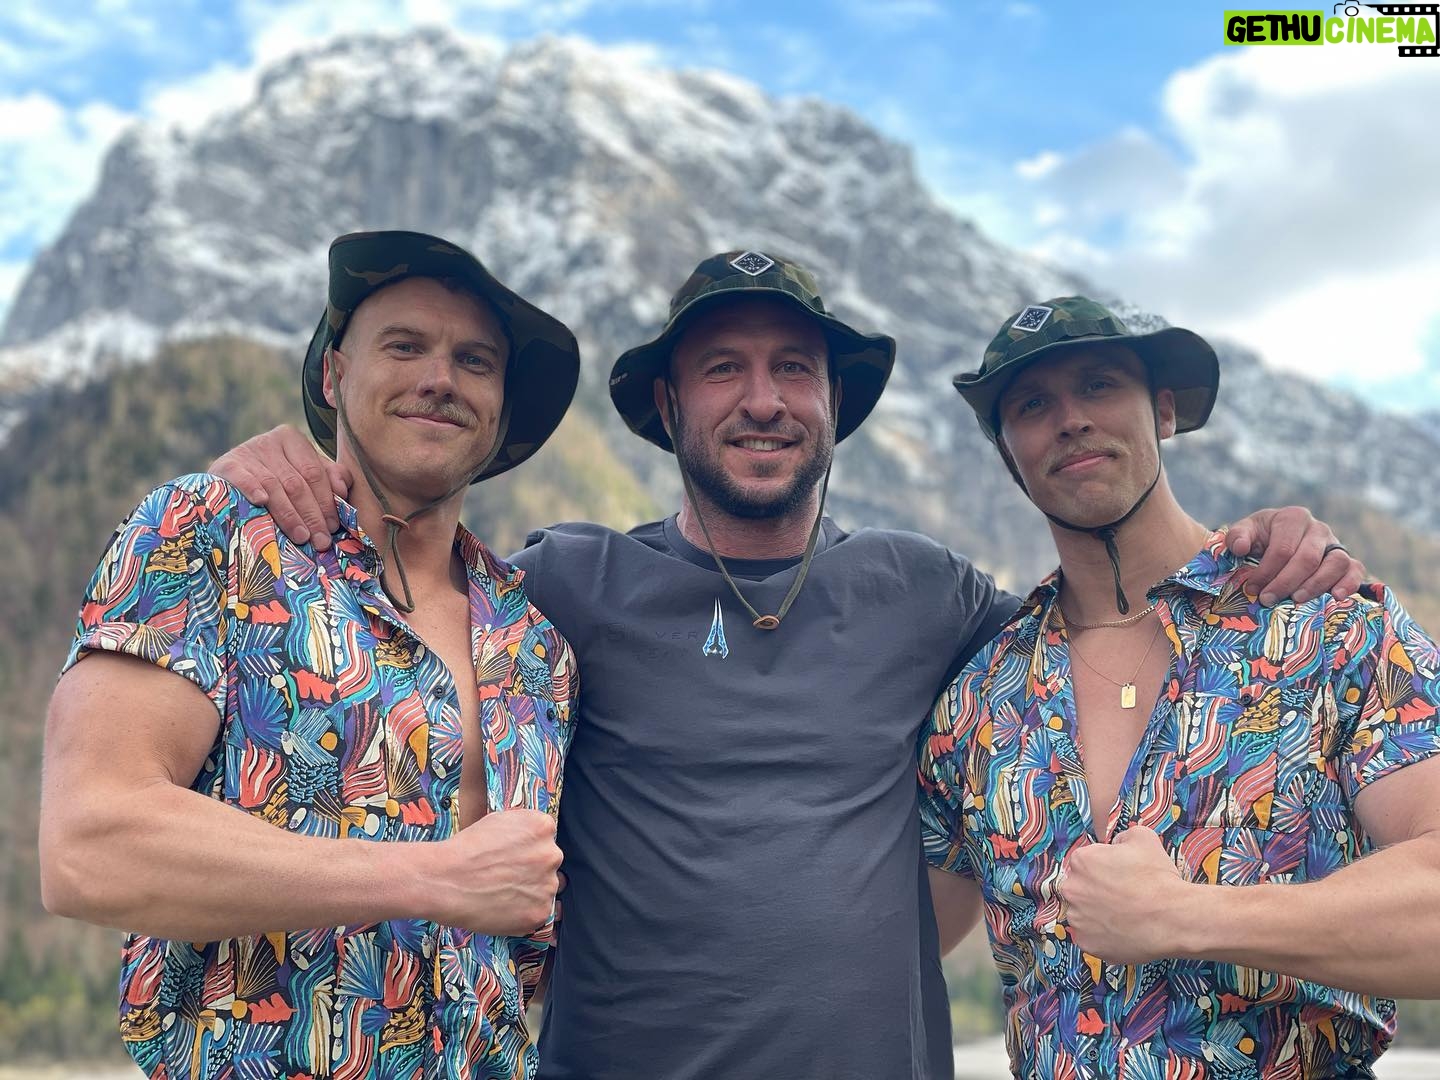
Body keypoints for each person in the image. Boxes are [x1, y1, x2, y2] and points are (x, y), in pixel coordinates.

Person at [212, 254, 1363, 1079]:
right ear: (669, 405)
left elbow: (1110, 623)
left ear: (834, 405)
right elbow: (395, 587)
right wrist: (266, 472)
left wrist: (1265, 545)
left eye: (793, 370)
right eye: (722, 369)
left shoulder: (929, 594)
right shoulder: (562, 587)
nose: (762, 400)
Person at [39, 230, 583, 1080]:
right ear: (334, 375)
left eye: (475, 361)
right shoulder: (208, 537)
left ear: (502, 406)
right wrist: (430, 877)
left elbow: (529, 950)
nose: (440, 378)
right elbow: (90, 845)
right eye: (404, 346)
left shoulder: (537, 649)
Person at [920, 295, 1440, 1079]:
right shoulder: (977, 700)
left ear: (1163, 411)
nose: (1070, 419)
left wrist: (1188, 916)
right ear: (1008, 454)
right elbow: (883, 943)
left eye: (1099, 384)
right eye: (1031, 405)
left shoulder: (1329, 626)